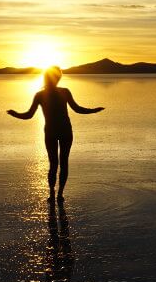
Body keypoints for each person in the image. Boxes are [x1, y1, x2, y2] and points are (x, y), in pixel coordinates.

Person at [7, 66, 105, 201]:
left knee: (55, 163)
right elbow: (77, 109)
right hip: (62, 131)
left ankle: (54, 194)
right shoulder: (57, 93)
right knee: (61, 163)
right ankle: (57, 195)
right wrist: (15, 114)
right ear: (56, 77)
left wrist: (15, 114)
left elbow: (29, 115)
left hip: (55, 132)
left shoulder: (45, 94)